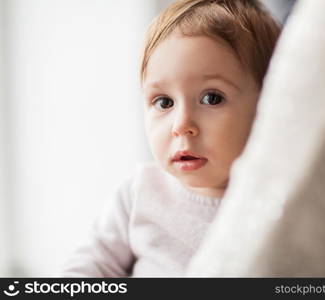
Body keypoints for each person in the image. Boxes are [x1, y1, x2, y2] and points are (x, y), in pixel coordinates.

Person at [61, 0, 280, 277]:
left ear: (267, 107)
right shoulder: (141, 192)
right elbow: (86, 269)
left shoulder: (278, 203)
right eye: (164, 102)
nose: (181, 125)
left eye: (211, 98)